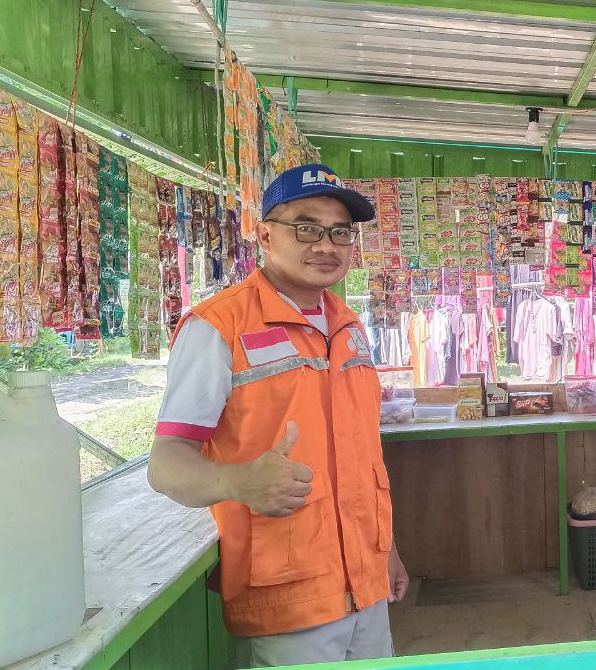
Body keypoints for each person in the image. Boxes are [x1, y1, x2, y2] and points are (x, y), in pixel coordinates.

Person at [148, 164, 408, 667]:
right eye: (306, 228)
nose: (325, 245)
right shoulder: (217, 326)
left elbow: (361, 459)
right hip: (288, 594)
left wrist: (388, 550)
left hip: (367, 582)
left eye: (340, 233)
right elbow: (166, 464)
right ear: (265, 234)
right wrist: (242, 482)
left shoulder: (349, 326)